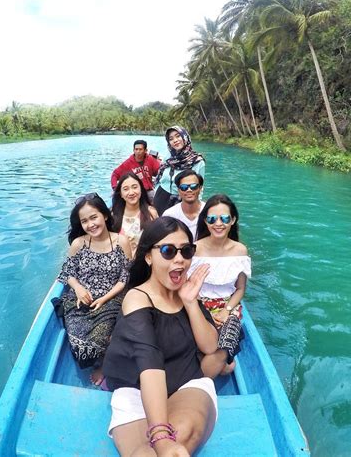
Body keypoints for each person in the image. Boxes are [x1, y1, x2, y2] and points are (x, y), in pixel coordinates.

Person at [103, 217, 218, 455]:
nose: (179, 259)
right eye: (168, 251)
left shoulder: (186, 292)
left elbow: (209, 346)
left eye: (186, 251)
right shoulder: (137, 298)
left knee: (183, 432)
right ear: (148, 257)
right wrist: (161, 435)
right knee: (147, 453)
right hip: (135, 388)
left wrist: (190, 302)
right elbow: (149, 361)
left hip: (185, 384)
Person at [56, 193, 132, 385]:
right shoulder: (78, 243)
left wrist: (104, 299)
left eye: (94, 217)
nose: (90, 224)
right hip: (81, 299)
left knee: (104, 335)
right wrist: (79, 289)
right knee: (82, 350)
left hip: (112, 297)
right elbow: (68, 272)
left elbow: (124, 278)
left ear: (105, 216)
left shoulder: (121, 242)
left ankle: (105, 362)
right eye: (84, 221)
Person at [190, 194, 251, 377]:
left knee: (224, 341)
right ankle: (215, 367)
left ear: (233, 220)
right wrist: (203, 310)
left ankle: (215, 365)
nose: (219, 223)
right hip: (199, 304)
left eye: (224, 218)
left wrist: (226, 310)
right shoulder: (195, 249)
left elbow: (240, 289)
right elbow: (190, 286)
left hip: (228, 305)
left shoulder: (240, 251)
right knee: (196, 341)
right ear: (205, 221)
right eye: (212, 219)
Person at [154, 126, 205, 216]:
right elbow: (160, 177)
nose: (175, 140)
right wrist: (156, 192)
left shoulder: (197, 161)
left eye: (178, 136)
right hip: (161, 196)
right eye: (171, 139)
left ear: (185, 137)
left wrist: (196, 208)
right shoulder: (168, 157)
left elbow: (199, 188)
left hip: (180, 200)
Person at [111, 172, 158, 256]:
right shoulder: (113, 215)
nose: (131, 192)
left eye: (135, 187)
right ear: (121, 194)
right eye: (126, 189)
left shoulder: (151, 212)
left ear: (141, 189)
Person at [162, 169, 205, 240]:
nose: (189, 190)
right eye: (184, 187)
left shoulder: (208, 211)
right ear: (178, 190)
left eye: (193, 186)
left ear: (200, 188)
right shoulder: (170, 215)